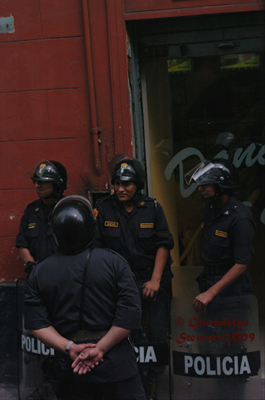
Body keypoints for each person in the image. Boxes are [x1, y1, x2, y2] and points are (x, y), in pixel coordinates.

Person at [24, 195, 146, 400]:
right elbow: (130, 316)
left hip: (70, 369)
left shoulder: (39, 272)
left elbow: (37, 325)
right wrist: (100, 348)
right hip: (116, 367)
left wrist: (70, 347)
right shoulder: (115, 263)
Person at [94, 155, 174, 399]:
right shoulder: (105, 208)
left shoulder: (152, 207)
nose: (120, 189)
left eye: (126, 184)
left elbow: (164, 244)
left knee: (156, 336)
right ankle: (128, 383)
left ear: (138, 184)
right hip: (118, 285)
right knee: (123, 335)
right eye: (117, 183)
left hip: (152, 282)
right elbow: (97, 248)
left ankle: (152, 382)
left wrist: (156, 279)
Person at [185, 158, 256, 314]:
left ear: (221, 187)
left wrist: (211, 292)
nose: (200, 189)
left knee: (230, 336)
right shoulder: (211, 208)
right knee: (208, 336)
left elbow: (241, 264)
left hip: (232, 292)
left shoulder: (240, 218)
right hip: (209, 281)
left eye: (205, 185)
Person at [16, 160, 67, 274]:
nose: (37, 185)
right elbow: (22, 244)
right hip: (37, 275)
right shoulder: (31, 210)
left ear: (56, 184)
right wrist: (32, 265)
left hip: (63, 274)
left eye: (43, 182)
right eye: (36, 181)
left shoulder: (68, 209)